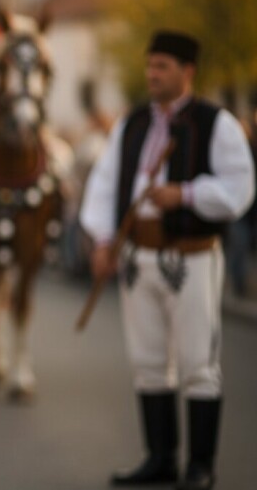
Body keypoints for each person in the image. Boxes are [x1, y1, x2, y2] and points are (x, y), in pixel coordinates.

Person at [80, 30, 255, 490]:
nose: (153, 74)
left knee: (199, 361)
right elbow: (103, 183)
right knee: (149, 359)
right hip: (139, 256)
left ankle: (200, 465)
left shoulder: (216, 123)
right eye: (150, 65)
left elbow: (240, 189)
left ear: (187, 71)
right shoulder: (132, 122)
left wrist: (187, 193)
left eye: (163, 66)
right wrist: (102, 240)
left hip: (191, 256)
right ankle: (160, 457)